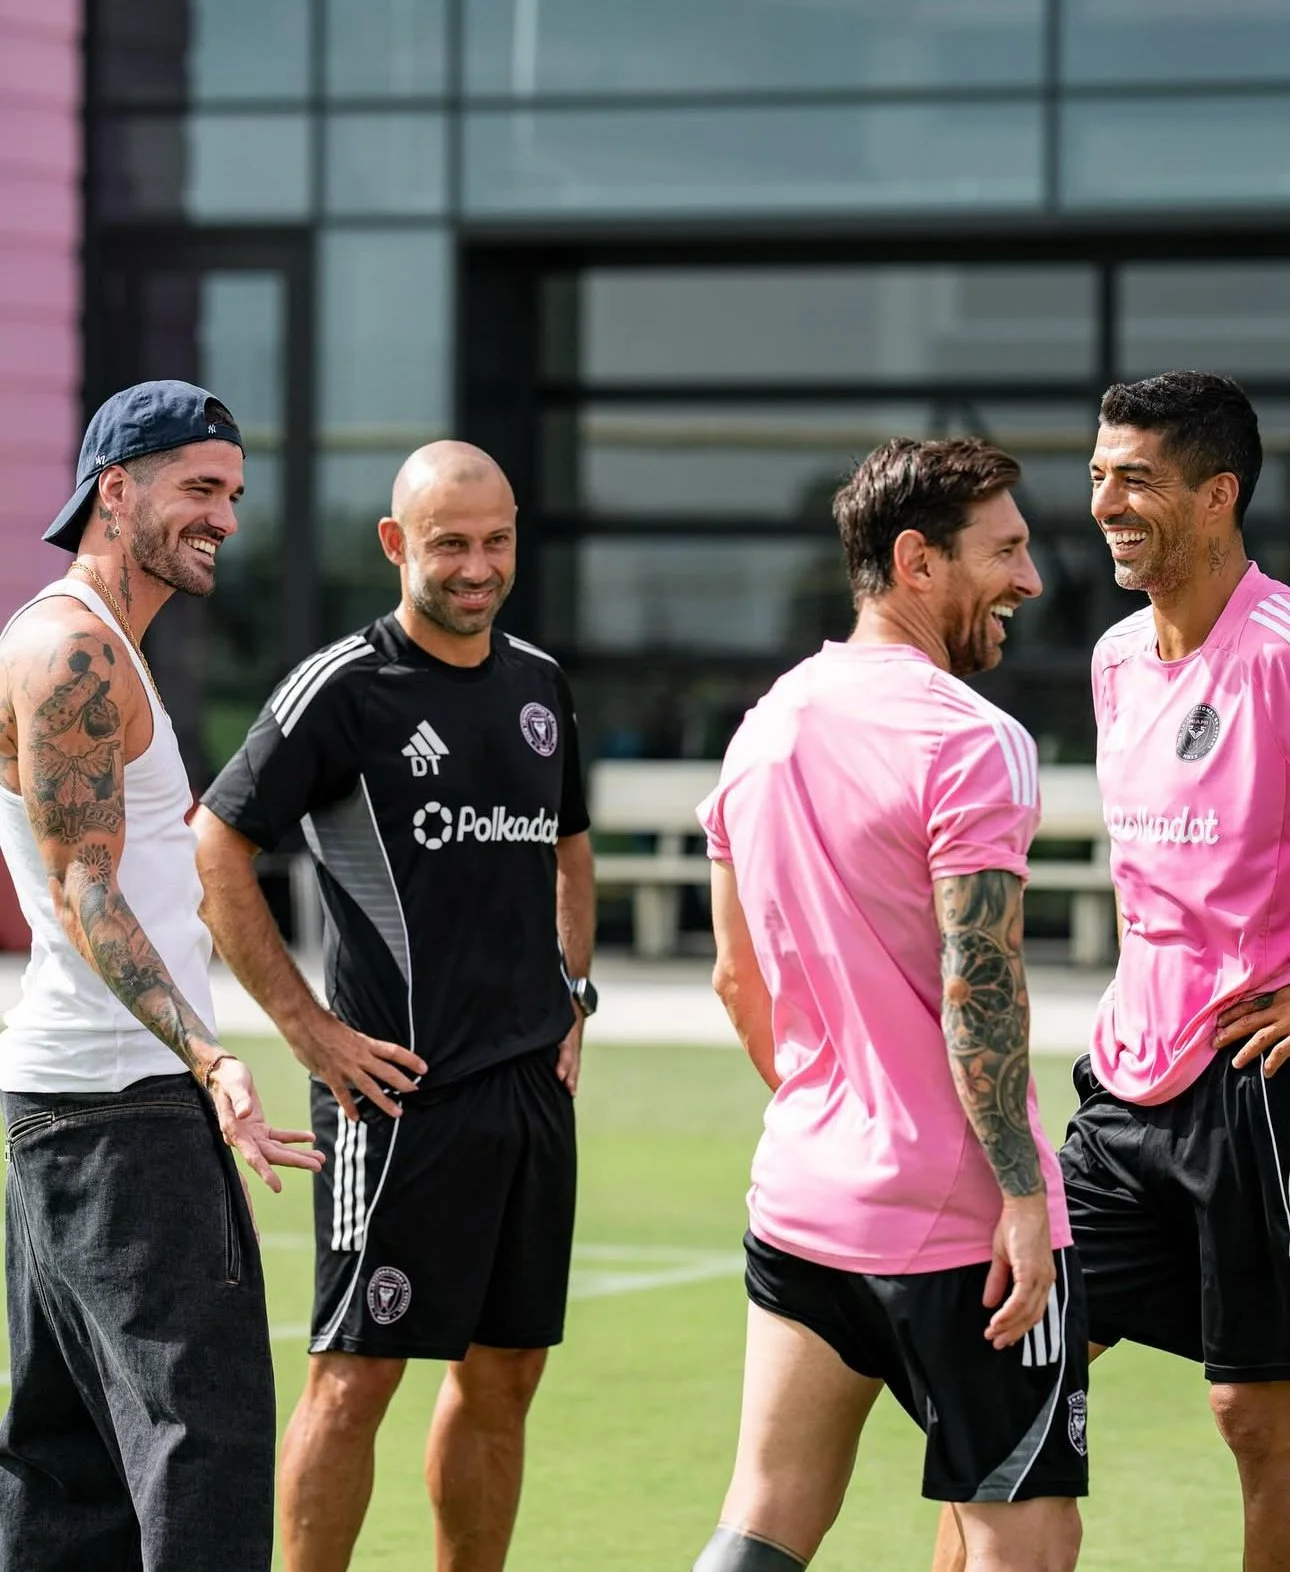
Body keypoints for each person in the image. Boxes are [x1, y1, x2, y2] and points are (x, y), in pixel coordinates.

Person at [191, 439, 595, 1572]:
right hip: (400, 1098)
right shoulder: (344, 688)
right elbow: (216, 845)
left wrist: (574, 994)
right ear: (394, 544)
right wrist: (308, 1031)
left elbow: (570, 848)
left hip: (530, 1097)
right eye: (449, 543)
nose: (477, 566)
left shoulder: (539, 684)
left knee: (506, 1373)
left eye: (496, 541)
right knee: (354, 1375)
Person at [692, 436, 1087, 1572]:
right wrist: (1022, 1195)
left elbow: (734, 978)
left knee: (763, 1519)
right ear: (917, 560)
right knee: (1028, 1541)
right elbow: (980, 989)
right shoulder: (975, 739)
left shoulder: (765, 725)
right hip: (964, 1226)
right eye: (1004, 551)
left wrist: (843, 1111)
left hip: (804, 1197)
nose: (1030, 580)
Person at [933, 371, 1290, 1572]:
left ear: (1218, 495)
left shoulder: (1282, 653)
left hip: (1256, 1095)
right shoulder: (1116, 657)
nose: (1105, 505)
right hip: (1122, 1094)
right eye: (1097, 476)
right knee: (1001, 1366)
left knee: (1257, 1418)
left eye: (1137, 479)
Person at [0, 379, 322, 1572]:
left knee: (72, 1474)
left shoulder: (93, 644)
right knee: (207, 1453)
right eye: (199, 488)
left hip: (83, 1108)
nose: (224, 517)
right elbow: (85, 887)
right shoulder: (74, 648)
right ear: (114, 491)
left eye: (233, 493)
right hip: (122, 1108)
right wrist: (212, 1056)